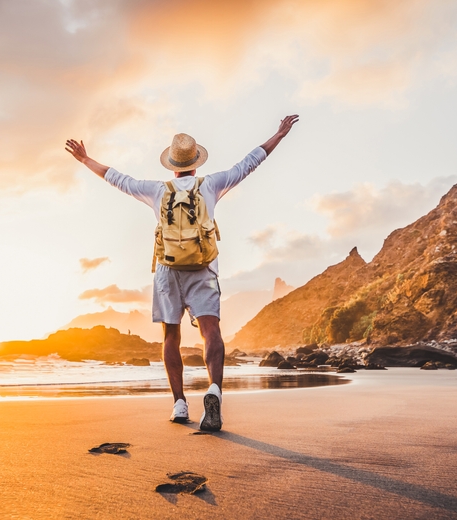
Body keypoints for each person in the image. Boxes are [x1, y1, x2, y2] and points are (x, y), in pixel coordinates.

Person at [64, 115, 299, 431]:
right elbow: (249, 163)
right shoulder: (211, 185)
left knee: (170, 335)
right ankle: (214, 389)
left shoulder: (157, 190)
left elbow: (117, 178)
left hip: (168, 271)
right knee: (210, 331)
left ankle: (179, 404)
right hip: (203, 269)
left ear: (172, 165)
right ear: (196, 163)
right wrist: (279, 134)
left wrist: (84, 158)